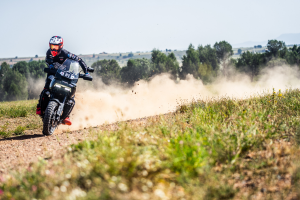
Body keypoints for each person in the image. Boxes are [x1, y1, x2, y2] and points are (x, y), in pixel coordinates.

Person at [36, 36, 91, 125]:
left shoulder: (66, 53)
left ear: (61, 46)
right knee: (46, 90)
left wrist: (86, 73)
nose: (53, 49)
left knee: (71, 97)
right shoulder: (48, 52)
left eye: (56, 47)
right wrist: (50, 66)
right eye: (52, 46)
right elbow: (48, 61)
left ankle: (66, 116)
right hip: (53, 74)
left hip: (66, 75)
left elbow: (79, 60)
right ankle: (40, 107)